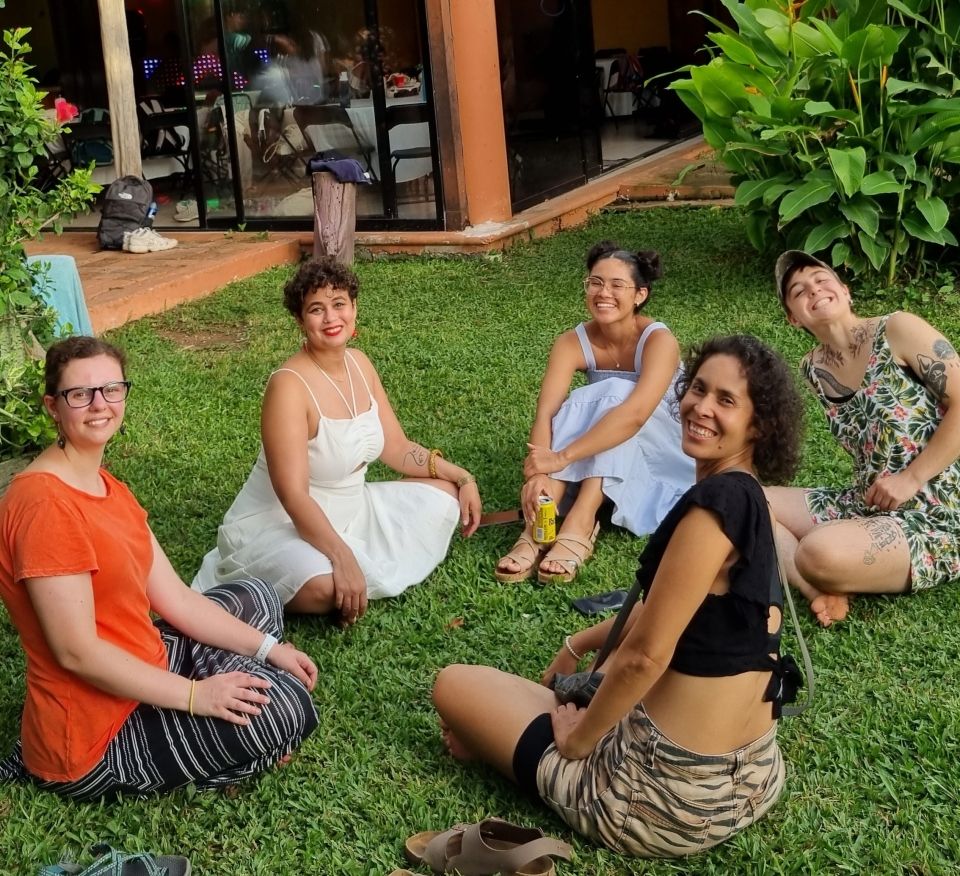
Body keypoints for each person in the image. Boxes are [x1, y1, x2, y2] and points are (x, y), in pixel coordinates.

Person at [435, 335, 805, 858]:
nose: (700, 407)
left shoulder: (710, 511)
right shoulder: (749, 497)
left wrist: (578, 738)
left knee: (454, 685)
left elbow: (645, 656)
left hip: (660, 803)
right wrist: (579, 642)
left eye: (726, 400)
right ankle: (521, 728)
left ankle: (522, 738)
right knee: (560, 694)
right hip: (752, 780)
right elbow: (674, 613)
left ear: (759, 424)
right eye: (698, 389)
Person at [0, 337, 318, 800]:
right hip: (93, 736)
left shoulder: (107, 486)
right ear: (53, 406)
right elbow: (77, 653)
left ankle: (238, 690)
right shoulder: (45, 505)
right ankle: (244, 731)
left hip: (144, 660)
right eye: (79, 394)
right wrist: (198, 696)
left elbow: (177, 598)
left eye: (111, 389)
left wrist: (269, 649)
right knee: (287, 708)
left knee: (257, 596)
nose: (99, 405)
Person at [193, 257, 481, 624]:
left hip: (353, 510)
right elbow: (293, 495)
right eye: (316, 309)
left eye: (339, 304)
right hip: (281, 523)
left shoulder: (360, 364)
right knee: (327, 588)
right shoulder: (288, 386)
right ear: (300, 321)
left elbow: (396, 447)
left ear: (354, 308)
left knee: (445, 498)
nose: (331, 318)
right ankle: (314, 569)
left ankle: (351, 558)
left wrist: (462, 476)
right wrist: (342, 558)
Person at [766, 251, 960, 626]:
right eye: (798, 290)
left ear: (845, 290)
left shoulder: (898, 329)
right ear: (793, 317)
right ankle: (819, 590)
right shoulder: (814, 368)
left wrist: (911, 478)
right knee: (749, 498)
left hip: (939, 509)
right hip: (871, 502)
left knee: (817, 552)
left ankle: (832, 567)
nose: (814, 290)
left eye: (822, 279)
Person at [495, 241, 694, 585]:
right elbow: (547, 413)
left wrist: (560, 458)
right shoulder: (570, 342)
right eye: (596, 282)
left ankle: (581, 520)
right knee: (582, 402)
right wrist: (537, 473)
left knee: (614, 394)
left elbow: (635, 415)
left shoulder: (659, 340)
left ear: (640, 295)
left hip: (662, 447)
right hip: (608, 444)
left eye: (618, 285)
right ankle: (540, 520)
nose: (604, 293)